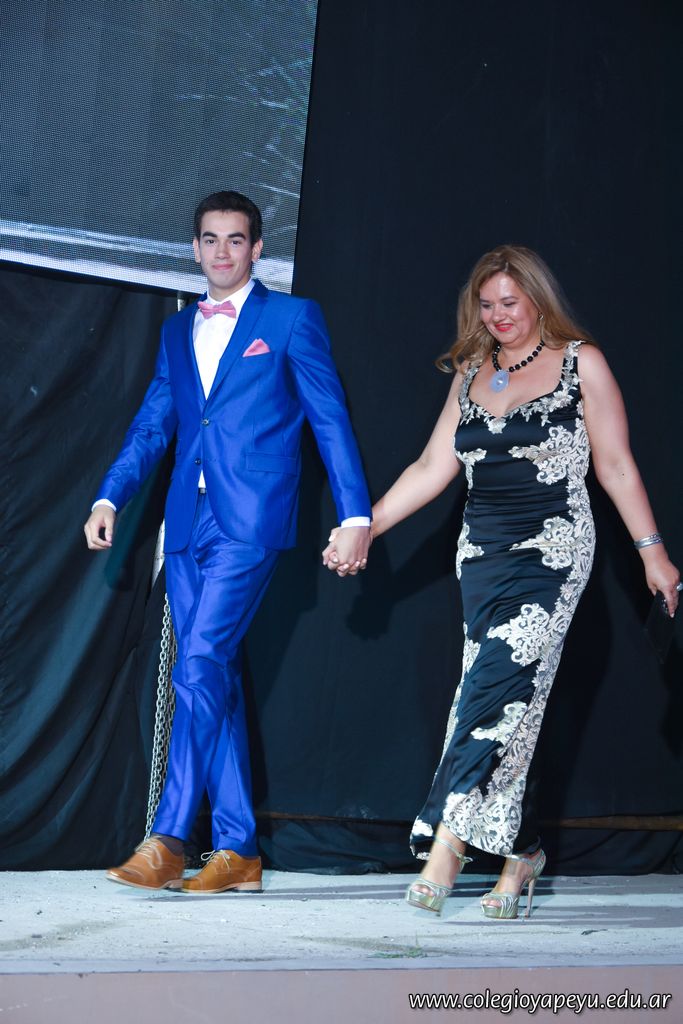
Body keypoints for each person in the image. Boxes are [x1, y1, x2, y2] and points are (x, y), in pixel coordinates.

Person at [324, 245, 680, 918]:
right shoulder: (470, 371)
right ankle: (522, 853)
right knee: (511, 701)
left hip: (553, 549)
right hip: (481, 555)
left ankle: (447, 845)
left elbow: (615, 466)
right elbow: (432, 467)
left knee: (491, 691)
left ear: (538, 300)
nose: (498, 316)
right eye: (486, 306)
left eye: (509, 303)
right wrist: (364, 526)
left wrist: (651, 554)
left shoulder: (581, 363)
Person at [85, 190, 371, 893]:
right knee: (212, 675)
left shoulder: (292, 318)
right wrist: (110, 494)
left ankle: (168, 837)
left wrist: (355, 514)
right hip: (188, 521)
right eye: (210, 239)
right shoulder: (177, 330)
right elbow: (154, 423)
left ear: (256, 248)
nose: (221, 251)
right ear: (194, 248)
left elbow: (329, 418)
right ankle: (239, 849)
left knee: (199, 660)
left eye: (235, 239)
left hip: (251, 517)